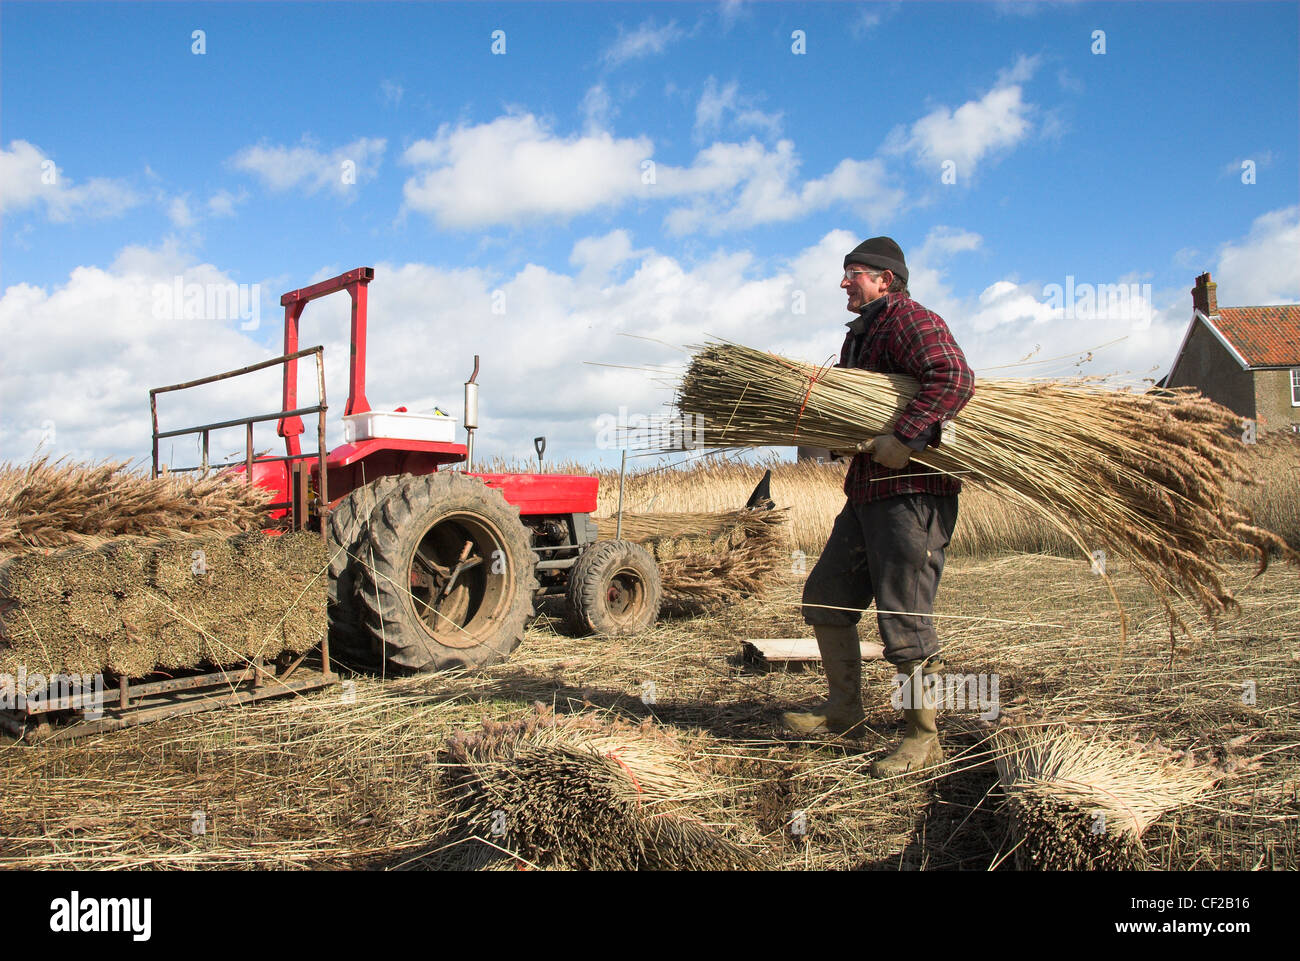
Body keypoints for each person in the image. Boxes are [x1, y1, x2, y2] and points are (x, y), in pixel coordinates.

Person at [783, 236, 975, 778]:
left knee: (904, 616)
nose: (844, 282)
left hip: (913, 496)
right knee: (825, 599)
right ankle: (844, 713)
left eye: (855, 273)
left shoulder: (912, 320)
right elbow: (861, 415)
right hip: (866, 493)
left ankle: (922, 737)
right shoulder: (860, 338)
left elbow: (955, 378)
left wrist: (908, 436)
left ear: (886, 279)